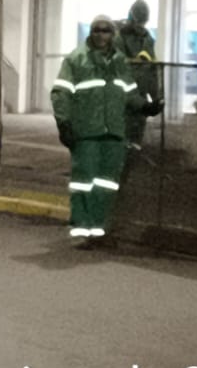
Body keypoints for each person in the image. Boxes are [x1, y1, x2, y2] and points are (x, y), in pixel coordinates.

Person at [51, 14, 141, 240]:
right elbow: (60, 93)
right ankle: (81, 227)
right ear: (90, 32)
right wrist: (64, 122)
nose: (101, 35)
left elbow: (130, 94)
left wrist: (146, 106)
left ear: (113, 34)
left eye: (106, 30)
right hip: (86, 132)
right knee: (84, 180)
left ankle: (98, 227)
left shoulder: (120, 61)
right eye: (96, 30)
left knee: (107, 183)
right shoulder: (76, 59)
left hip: (114, 133)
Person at [115, 0, 163, 147]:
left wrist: (156, 97)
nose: (140, 27)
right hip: (121, 100)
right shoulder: (118, 40)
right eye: (138, 23)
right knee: (121, 141)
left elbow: (151, 70)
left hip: (138, 99)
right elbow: (120, 76)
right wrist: (147, 102)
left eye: (143, 23)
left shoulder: (148, 40)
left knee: (134, 142)